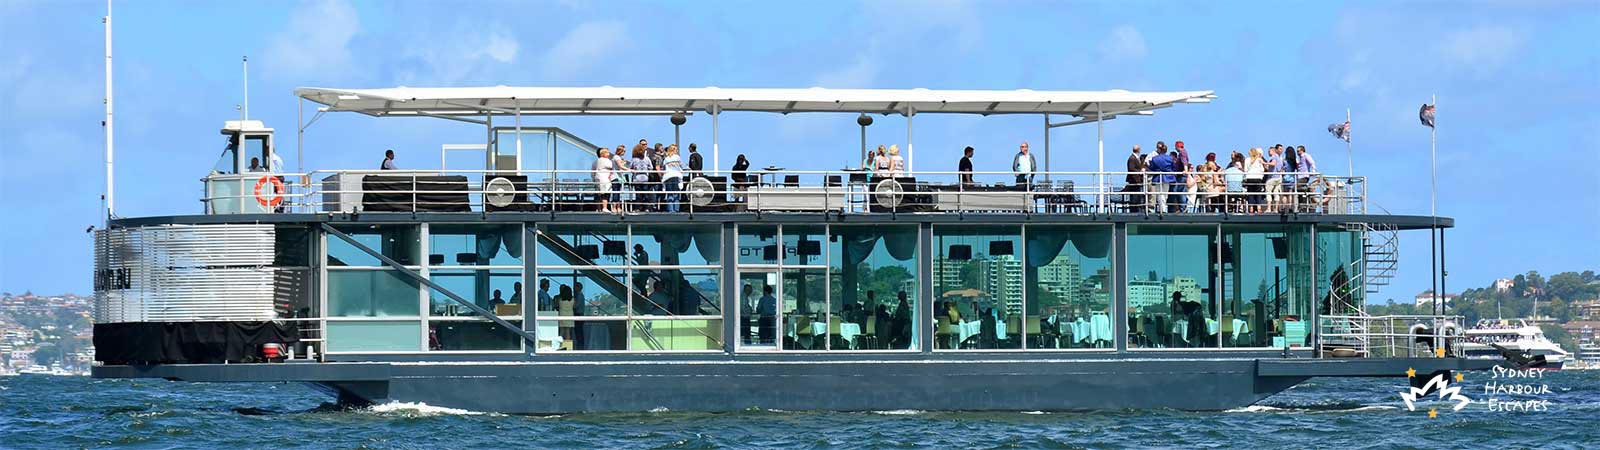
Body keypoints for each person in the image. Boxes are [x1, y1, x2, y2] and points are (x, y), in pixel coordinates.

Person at [1147, 142, 1177, 213]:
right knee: (1165, 193)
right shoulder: (1170, 158)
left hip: (1157, 177)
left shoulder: (1154, 159)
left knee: (1159, 193)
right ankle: (1163, 208)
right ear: (1166, 150)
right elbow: (1173, 167)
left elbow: (1152, 168)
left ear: (1160, 150)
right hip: (1168, 177)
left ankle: (1161, 208)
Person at [593, 147, 617, 213]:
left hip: (597, 178)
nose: (609, 154)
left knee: (599, 194)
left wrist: (594, 178)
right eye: (607, 152)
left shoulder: (596, 161)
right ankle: (605, 207)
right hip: (605, 178)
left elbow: (593, 170)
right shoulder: (607, 161)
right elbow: (612, 167)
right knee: (605, 193)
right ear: (604, 154)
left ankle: (598, 208)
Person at [662, 144, 684, 212]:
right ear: (673, 150)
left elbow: (664, 168)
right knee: (676, 193)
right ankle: (676, 209)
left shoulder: (666, 158)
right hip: (676, 175)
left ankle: (670, 209)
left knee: (669, 193)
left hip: (668, 176)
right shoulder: (677, 157)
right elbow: (681, 166)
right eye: (676, 149)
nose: (677, 150)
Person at [630, 145, 653, 211]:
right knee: (645, 194)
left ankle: (638, 208)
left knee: (638, 194)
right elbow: (651, 167)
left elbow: (630, 167)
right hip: (645, 178)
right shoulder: (647, 159)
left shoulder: (634, 159)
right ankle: (646, 208)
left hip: (636, 179)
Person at [1244, 147, 1266, 213]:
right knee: (1258, 193)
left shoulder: (1247, 160)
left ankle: (1251, 208)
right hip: (1258, 177)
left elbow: (1245, 170)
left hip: (1249, 177)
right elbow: (1262, 169)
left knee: (1250, 193)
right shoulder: (1259, 159)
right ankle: (1259, 208)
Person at [1124, 145, 1145, 211]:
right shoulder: (1132, 158)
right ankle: (1134, 211)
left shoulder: (1135, 158)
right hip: (1134, 181)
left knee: (1137, 197)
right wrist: (1140, 171)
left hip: (1137, 181)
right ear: (1139, 150)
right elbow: (1131, 169)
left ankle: (1137, 209)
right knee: (1134, 198)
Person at [1171, 141, 1190, 212]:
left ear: (1177, 146)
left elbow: (1184, 162)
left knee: (1180, 192)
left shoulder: (1182, 153)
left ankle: (1183, 208)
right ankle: (1183, 207)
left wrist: (1185, 170)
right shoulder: (1184, 152)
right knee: (1181, 191)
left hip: (1181, 176)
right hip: (1181, 176)